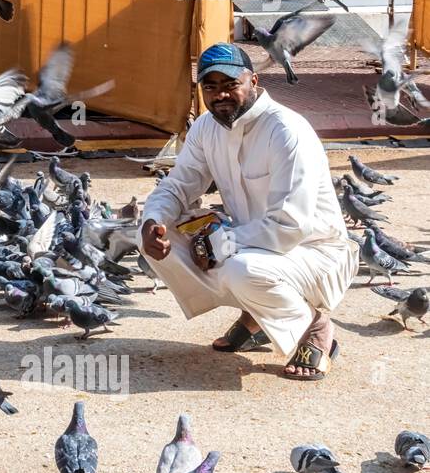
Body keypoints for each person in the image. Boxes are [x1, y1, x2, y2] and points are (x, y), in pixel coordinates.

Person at [138, 43, 359, 382]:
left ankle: (314, 326)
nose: (220, 95)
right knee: (157, 236)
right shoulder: (205, 128)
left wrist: (220, 242)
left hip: (314, 252)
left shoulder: (286, 130)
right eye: (210, 87)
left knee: (240, 268)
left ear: (253, 80)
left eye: (230, 84)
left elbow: (288, 227)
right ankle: (257, 317)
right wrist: (153, 221)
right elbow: (178, 186)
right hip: (255, 248)